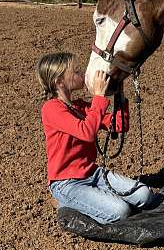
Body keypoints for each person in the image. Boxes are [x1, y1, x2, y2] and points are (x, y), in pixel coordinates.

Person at [36, 52, 157, 224]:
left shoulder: (81, 106)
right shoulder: (51, 109)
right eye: (76, 71)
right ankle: (65, 202)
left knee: (144, 195)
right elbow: (86, 132)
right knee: (120, 211)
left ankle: (93, 200)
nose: (83, 73)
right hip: (67, 183)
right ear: (59, 82)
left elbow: (119, 125)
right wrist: (99, 97)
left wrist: (119, 95)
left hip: (93, 173)